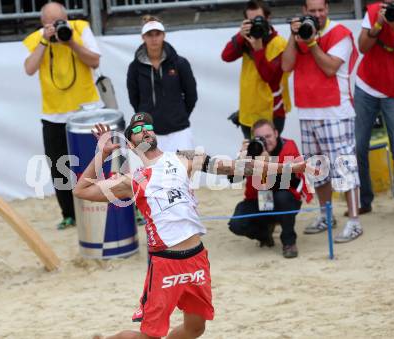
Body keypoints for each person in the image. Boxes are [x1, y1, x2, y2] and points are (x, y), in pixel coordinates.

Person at [73, 112, 307, 339]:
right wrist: (102, 155)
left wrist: (290, 168)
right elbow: (81, 190)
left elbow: (240, 167)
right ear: (131, 144)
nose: (143, 130)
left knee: (195, 328)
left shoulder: (184, 158)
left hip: (196, 257)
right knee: (150, 336)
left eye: (147, 126)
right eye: (136, 129)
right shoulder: (132, 179)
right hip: (166, 262)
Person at [281, 0, 363, 243]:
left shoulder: (341, 33)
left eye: (320, 10)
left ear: (327, 9)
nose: (316, 15)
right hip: (307, 111)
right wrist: (292, 35)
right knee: (318, 171)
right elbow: (286, 65)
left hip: (335, 111)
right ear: (305, 11)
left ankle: (355, 221)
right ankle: (326, 215)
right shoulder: (300, 32)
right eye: (312, 11)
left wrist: (312, 42)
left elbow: (329, 68)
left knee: (345, 168)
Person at [23, 2, 101, 229]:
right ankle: (69, 214)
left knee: (100, 160)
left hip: (87, 111)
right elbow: (29, 69)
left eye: (59, 21)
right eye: (51, 23)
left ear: (66, 18)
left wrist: (71, 43)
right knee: (59, 167)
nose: (56, 26)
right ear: (43, 24)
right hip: (53, 115)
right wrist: (45, 41)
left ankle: (113, 206)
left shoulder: (80, 28)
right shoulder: (37, 38)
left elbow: (94, 60)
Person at [354, 0, 394, 215]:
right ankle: (363, 199)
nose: (393, 4)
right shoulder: (373, 11)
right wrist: (378, 25)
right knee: (358, 146)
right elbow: (362, 48)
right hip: (366, 85)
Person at [228, 119, 313, 258]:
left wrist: (267, 165)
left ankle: (289, 241)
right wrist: (241, 159)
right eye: (260, 138)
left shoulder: (288, 146)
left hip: (285, 199)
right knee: (236, 224)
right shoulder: (252, 151)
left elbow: (291, 181)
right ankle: (264, 234)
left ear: (276, 133)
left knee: (283, 196)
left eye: (268, 136)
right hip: (259, 199)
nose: (265, 142)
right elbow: (233, 180)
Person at [127, 16, 197, 152]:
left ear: (163, 35)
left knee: (185, 171)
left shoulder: (180, 63)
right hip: (149, 134)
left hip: (180, 131)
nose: (154, 38)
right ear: (143, 37)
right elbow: (134, 99)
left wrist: (179, 115)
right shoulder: (134, 68)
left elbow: (191, 95)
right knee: (154, 173)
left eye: (157, 34)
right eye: (149, 34)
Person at [221, 0, 291, 137]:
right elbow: (226, 56)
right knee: (252, 158)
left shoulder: (280, 44)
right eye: (251, 20)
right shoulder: (246, 39)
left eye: (259, 19)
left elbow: (269, 77)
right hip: (248, 113)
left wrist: (258, 49)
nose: (256, 24)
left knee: (269, 157)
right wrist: (240, 36)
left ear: (268, 18)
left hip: (271, 114)